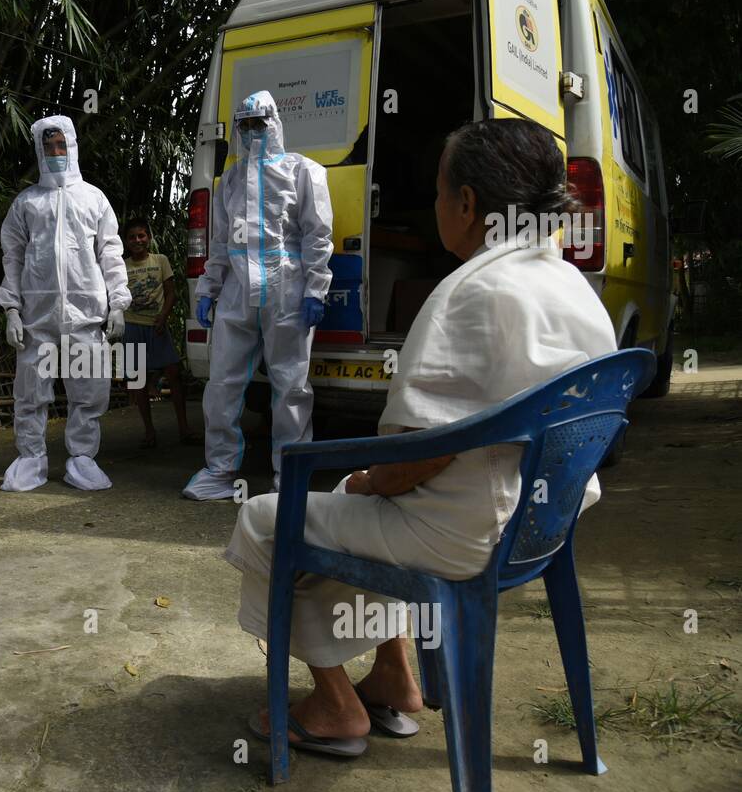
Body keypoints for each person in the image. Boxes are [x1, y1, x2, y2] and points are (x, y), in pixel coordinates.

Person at [225, 118, 617, 756]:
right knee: (360, 503)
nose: (437, 205)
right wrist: (375, 484)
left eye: (439, 192)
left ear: (466, 204)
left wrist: (368, 479)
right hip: (541, 525)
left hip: (460, 538)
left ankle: (333, 706)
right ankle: (394, 676)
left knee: (268, 518)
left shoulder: (471, 291)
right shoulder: (572, 285)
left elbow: (414, 460)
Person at [184, 90, 334, 500]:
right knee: (223, 382)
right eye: (244, 125)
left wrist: (316, 288)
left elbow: (317, 235)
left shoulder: (303, 171)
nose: (252, 132)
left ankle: (291, 476)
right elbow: (220, 240)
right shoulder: (230, 178)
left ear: (275, 124)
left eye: (259, 123)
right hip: (236, 289)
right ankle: (219, 470)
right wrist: (209, 287)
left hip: (287, 287)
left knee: (290, 385)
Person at [0, 115, 130, 492]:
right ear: (39, 151)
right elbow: (13, 257)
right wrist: (11, 308)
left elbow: (110, 252)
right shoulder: (27, 203)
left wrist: (118, 303)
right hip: (36, 317)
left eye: (61, 146)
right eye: (48, 147)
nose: (55, 152)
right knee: (30, 392)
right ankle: (30, 459)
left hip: (86, 314)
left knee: (88, 393)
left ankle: (83, 459)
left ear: (71, 147)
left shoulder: (94, 198)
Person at [121, 216, 198, 448]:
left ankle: (184, 428)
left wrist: (164, 316)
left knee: (173, 373)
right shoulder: (121, 267)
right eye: (132, 237)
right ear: (126, 242)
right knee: (138, 381)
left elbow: (171, 292)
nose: (137, 240)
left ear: (149, 238)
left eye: (141, 235)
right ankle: (149, 432)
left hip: (158, 326)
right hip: (132, 326)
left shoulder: (160, 260)